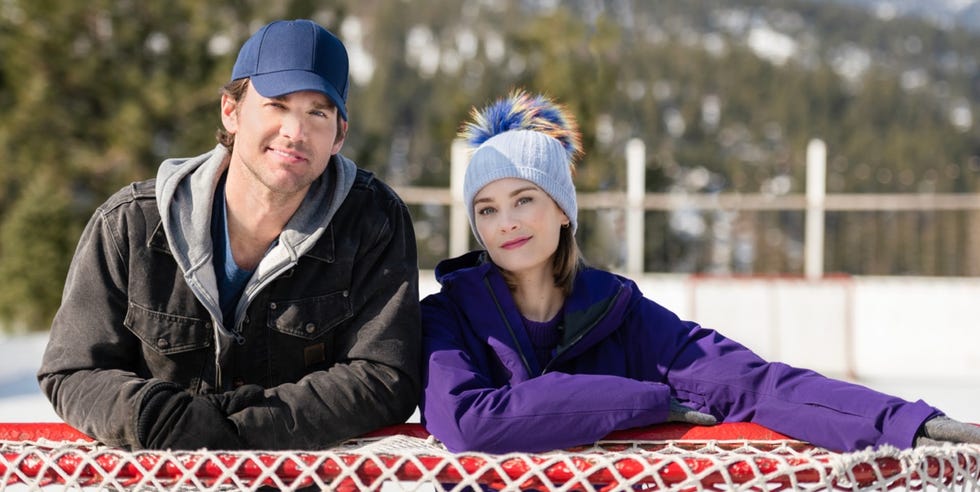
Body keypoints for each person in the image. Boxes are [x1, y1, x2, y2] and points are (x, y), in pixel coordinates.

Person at [418, 89, 980, 454]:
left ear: (562, 210)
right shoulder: (445, 318)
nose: (505, 223)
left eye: (523, 200)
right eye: (486, 209)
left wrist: (907, 423)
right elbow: (471, 424)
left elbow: (756, 386)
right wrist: (647, 401)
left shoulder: (619, 316)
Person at [37, 19, 421, 451]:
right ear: (231, 111)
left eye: (317, 112)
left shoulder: (374, 222)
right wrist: (160, 419)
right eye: (276, 104)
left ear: (339, 135)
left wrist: (243, 431)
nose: (295, 132)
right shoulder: (130, 225)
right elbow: (72, 371)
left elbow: (386, 373)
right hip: (159, 480)